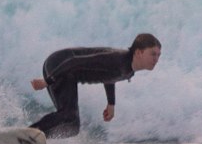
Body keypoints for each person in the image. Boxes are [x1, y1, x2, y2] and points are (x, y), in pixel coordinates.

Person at [29, 33, 161, 137]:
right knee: (67, 115)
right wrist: (48, 81)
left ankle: (37, 138)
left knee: (73, 127)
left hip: (65, 70)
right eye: (153, 54)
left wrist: (111, 104)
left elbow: (109, 75)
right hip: (61, 64)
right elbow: (74, 61)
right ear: (139, 52)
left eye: (158, 55)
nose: (156, 59)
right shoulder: (117, 59)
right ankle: (30, 133)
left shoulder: (128, 68)